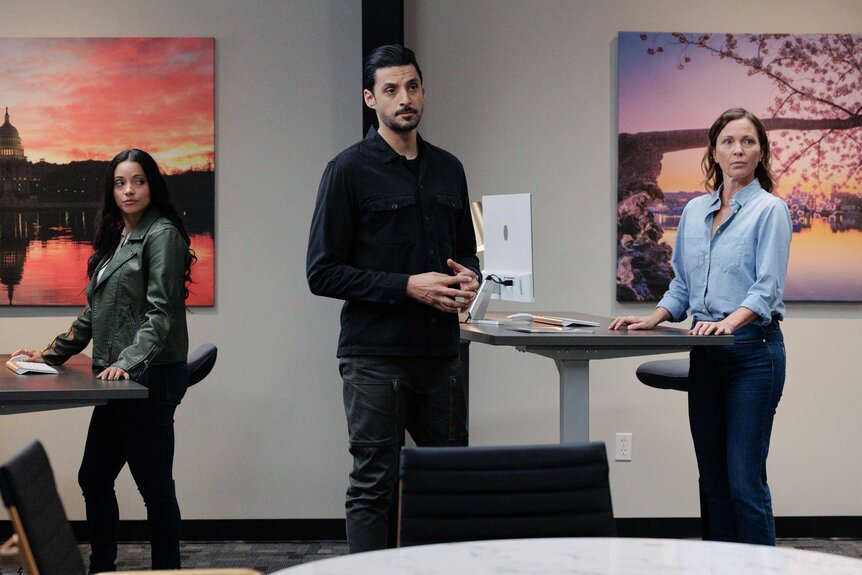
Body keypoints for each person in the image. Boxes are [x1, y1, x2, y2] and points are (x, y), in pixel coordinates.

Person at [306, 44, 480, 553]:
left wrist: (470, 278)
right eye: (390, 90)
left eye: (411, 86)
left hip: (442, 355)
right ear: (370, 99)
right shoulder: (347, 171)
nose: (403, 98)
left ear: (422, 91)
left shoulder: (450, 168)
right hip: (375, 357)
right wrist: (406, 286)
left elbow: (467, 253)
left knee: (448, 483)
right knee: (373, 486)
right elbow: (321, 272)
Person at [610, 108, 791, 545]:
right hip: (705, 351)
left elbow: (765, 290)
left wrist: (727, 323)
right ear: (713, 150)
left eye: (748, 141)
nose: (738, 149)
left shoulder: (771, 210)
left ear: (761, 150)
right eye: (728, 141)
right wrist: (653, 318)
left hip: (753, 354)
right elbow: (682, 284)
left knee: (744, 484)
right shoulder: (693, 210)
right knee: (711, 481)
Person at [13, 149, 194, 571]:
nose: (128, 190)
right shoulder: (119, 238)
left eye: (138, 181)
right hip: (116, 380)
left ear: (152, 185)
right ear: (110, 190)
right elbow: (97, 313)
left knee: (155, 489)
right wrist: (51, 352)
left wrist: (129, 362)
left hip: (148, 377)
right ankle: (103, 567)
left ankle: (166, 572)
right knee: (94, 478)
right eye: (119, 182)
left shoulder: (161, 234)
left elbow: (161, 311)